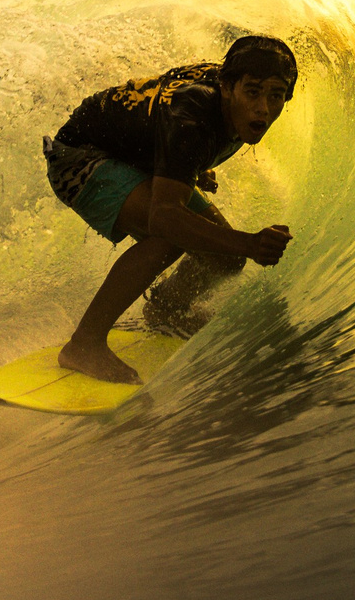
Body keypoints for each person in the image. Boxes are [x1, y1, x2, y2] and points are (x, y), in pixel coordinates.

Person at [41, 33, 298, 383]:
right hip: (79, 157)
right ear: (227, 86)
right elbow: (164, 216)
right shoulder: (193, 115)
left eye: (276, 95)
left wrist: (183, 161)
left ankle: (166, 308)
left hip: (132, 158)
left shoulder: (220, 95)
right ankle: (84, 344)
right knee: (169, 233)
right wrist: (251, 244)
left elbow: (162, 103)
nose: (263, 108)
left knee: (224, 257)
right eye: (253, 92)